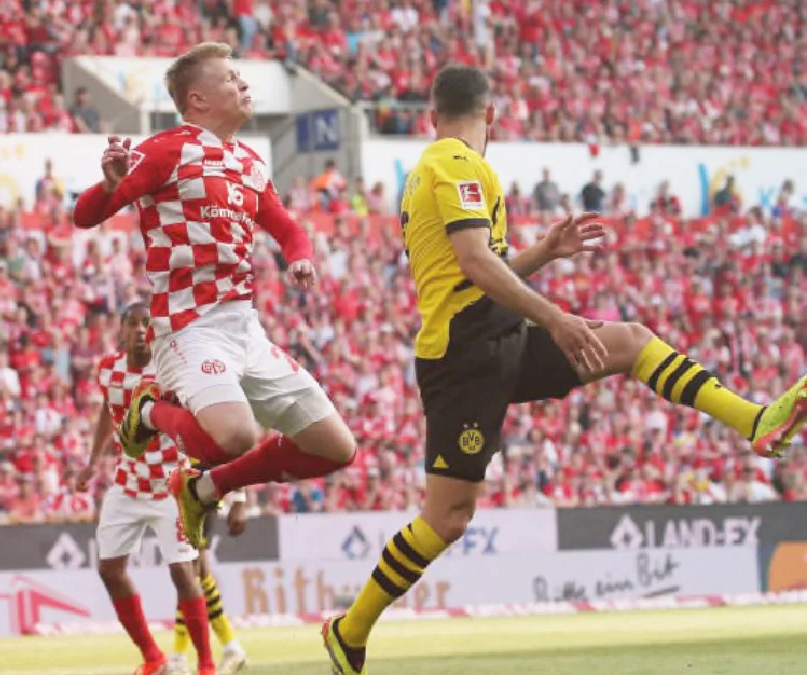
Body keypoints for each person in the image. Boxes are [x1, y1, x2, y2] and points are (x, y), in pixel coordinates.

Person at [321, 65, 807, 675]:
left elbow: (478, 269)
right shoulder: (455, 163)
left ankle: (753, 420)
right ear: (490, 115)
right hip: (463, 357)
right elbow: (475, 265)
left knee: (630, 342)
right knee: (447, 518)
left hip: (493, 337)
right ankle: (350, 629)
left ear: (432, 115)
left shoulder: (441, 167)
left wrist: (544, 253)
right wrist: (553, 317)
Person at [72, 41, 357, 552]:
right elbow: (84, 215)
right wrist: (109, 186)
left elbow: (288, 227)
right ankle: (148, 411)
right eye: (230, 78)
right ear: (198, 99)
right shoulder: (165, 150)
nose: (243, 84)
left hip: (244, 330)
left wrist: (300, 256)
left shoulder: (248, 161)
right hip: (188, 327)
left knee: (335, 447)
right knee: (235, 435)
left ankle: (204, 488)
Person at [76, 303, 218, 675]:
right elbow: (109, 409)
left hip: (171, 485)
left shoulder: (169, 370)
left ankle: (206, 665)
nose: (140, 330)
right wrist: (93, 460)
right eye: (133, 323)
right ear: (122, 329)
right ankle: (153, 658)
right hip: (127, 485)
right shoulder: (108, 369)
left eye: (146, 324)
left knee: (183, 572)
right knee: (109, 569)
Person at [168, 463, 250, 675]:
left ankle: (180, 655)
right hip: (183, 488)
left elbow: (234, 452)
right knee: (197, 573)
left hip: (200, 486)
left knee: (188, 572)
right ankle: (231, 646)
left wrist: (239, 499)